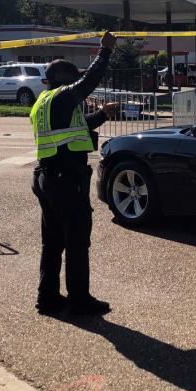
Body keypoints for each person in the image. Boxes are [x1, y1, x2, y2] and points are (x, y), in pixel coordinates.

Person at [30, 31, 119, 316]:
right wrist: (104, 51)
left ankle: (48, 298)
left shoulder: (44, 101)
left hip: (48, 178)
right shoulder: (64, 96)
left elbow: (74, 132)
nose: (78, 85)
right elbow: (88, 81)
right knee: (77, 242)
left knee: (53, 242)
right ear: (67, 80)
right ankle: (80, 301)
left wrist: (102, 114)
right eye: (74, 80)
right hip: (66, 180)